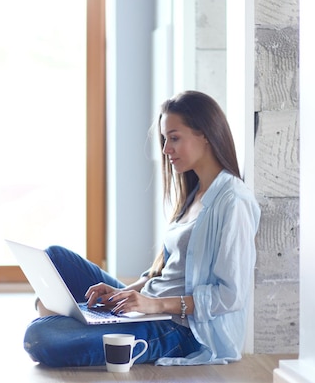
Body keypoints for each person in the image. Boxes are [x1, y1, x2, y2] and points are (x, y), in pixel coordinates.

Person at [23, 90, 260, 367]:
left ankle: (72, 320)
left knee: (41, 336)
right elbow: (165, 273)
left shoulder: (234, 201)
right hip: (149, 306)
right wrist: (126, 293)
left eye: (174, 138)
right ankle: (83, 318)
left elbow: (230, 296)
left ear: (205, 134)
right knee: (56, 257)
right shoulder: (195, 193)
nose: (165, 150)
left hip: (182, 329)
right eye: (164, 139)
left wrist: (155, 306)